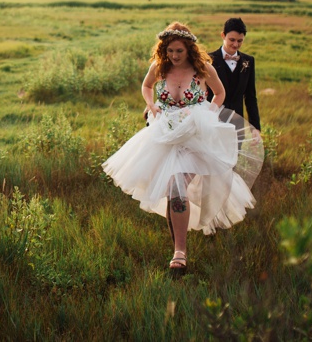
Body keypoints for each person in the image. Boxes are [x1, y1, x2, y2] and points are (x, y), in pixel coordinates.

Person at [102, 22, 264, 276]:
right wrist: (151, 105)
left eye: (179, 51)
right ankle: (178, 247)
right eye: (170, 51)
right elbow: (146, 86)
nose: (174, 56)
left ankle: (180, 253)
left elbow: (219, 94)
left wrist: (206, 114)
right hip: (164, 134)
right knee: (172, 189)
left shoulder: (203, 68)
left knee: (177, 186)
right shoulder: (159, 67)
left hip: (194, 136)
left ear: (189, 49)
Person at [207, 17, 262, 139]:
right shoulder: (208, 60)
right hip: (213, 123)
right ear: (223, 35)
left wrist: (255, 127)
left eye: (240, 41)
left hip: (237, 125)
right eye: (232, 40)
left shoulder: (249, 61)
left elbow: (250, 97)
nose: (236, 44)